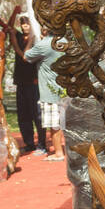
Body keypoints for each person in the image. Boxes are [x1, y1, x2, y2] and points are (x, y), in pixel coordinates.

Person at [7, 13, 47, 154]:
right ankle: (29, 143)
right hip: (21, 82)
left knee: (37, 114)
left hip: (34, 82)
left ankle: (42, 143)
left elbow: (26, 57)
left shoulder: (38, 41)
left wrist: (31, 40)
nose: (25, 26)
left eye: (27, 23)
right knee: (23, 115)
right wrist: (15, 10)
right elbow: (8, 28)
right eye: (22, 23)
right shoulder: (17, 36)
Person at [24, 31, 66, 161]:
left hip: (50, 91)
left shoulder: (44, 45)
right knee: (65, 123)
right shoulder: (65, 41)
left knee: (54, 124)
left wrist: (31, 40)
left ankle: (59, 152)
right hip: (65, 89)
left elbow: (26, 56)